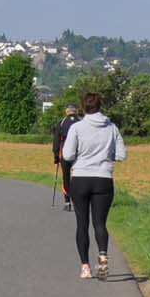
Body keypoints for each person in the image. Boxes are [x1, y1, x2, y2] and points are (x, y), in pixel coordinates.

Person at [58, 91, 126, 279]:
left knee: (82, 223)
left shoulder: (77, 128)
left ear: (83, 107)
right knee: (100, 223)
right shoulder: (112, 128)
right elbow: (121, 154)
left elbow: (69, 154)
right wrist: (105, 156)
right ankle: (103, 256)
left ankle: (85, 267)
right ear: (100, 106)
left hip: (80, 178)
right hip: (103, 179)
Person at [50, 102, 80, 209]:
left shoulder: (61, 123)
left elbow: (56, 142)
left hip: (65, 154)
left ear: (66, 111)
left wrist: (56, 157)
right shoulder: (81, 122)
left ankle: (67, 202)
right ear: (76, 111)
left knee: (66, 177)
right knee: (79, 177)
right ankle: (80, 200)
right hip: (79, 154)